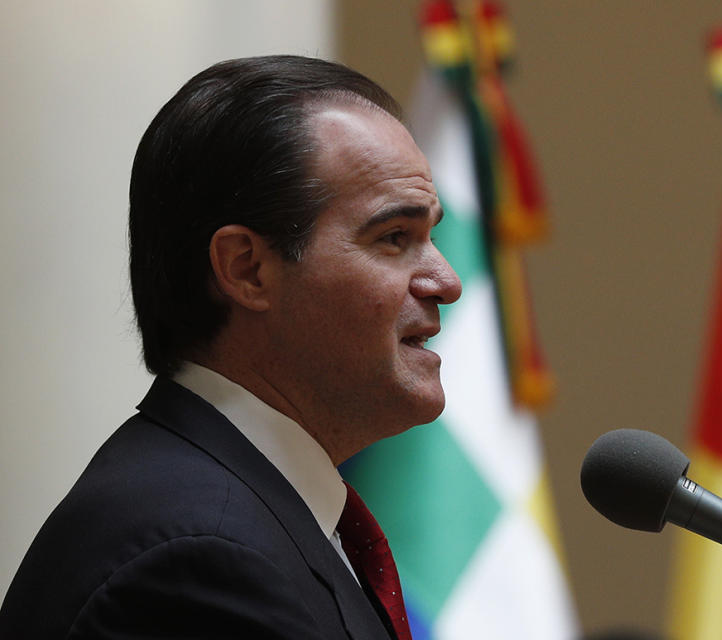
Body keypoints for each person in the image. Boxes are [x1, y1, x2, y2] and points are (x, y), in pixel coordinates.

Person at [0, 55, 461, 639]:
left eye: (432, 235)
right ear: (246, 269)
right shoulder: (198, 560)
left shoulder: (251, 513)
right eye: (394, 237)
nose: (446, 281)